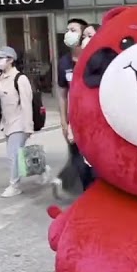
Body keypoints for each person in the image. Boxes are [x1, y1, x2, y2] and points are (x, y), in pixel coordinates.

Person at [52, 18, 94, 200]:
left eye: (74, 30)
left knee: (95, 159)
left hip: (94, 119)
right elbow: (62, 93)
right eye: (68, 29)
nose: (69, 33)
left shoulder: (95, 58)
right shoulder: (64, 63)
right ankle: (86, 193)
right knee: (77, 158)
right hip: (74, 121)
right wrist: (63, 120)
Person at [0, 46, 37, 198]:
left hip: (19, 122)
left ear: (10, 60)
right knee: (20, 155)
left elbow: (26, 103)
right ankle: (42, 169)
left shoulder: (20, 79)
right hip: (6, 122)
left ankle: (14, 185)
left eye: (1, 58)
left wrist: (28, 127)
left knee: (13, 155)